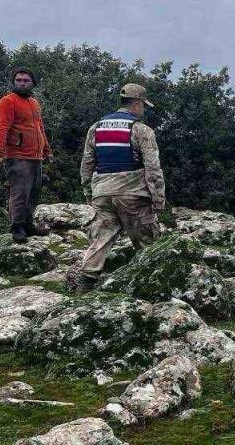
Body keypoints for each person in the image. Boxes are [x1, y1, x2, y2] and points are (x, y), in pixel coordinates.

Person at [67, 83, 167, 293]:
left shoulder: (96, 127)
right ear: (138, 104)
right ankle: (151, 289)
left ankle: (84, 285)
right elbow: (153, 168)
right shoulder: (141, 129)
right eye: (143, 106)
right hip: (132, 193)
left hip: (102, 191)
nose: (143, 110)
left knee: (101, 239)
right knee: (148, 242)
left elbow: (87, 164)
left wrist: (89, 192)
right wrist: (158, 200)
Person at [0, 68, 52, 243]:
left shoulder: (34, 103)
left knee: (33, 192)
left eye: (26, 80)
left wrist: (47, 150)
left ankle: (28, 224)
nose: (22, 83)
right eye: (18, 80)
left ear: (32, 83)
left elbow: (40, 128)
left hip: (36, 156)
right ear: (14, 82)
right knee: (19, 193)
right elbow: (2, 128)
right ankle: (17, 227)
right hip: (17, 156)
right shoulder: (7, 102)